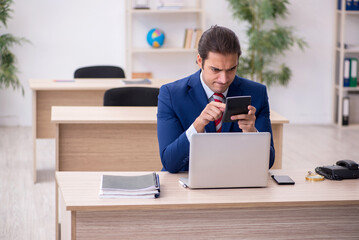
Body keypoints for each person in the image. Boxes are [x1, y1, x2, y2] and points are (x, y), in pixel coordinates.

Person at [157, 25, 275, 173]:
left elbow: (268, 162)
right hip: (186, 183)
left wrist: (252, 133)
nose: (224, 79)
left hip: (236, 180)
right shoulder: (171, 95)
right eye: (216, 70)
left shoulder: (257, 93)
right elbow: (170, 163)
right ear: (200, 61)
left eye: (231, 69)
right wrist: (198, 125)